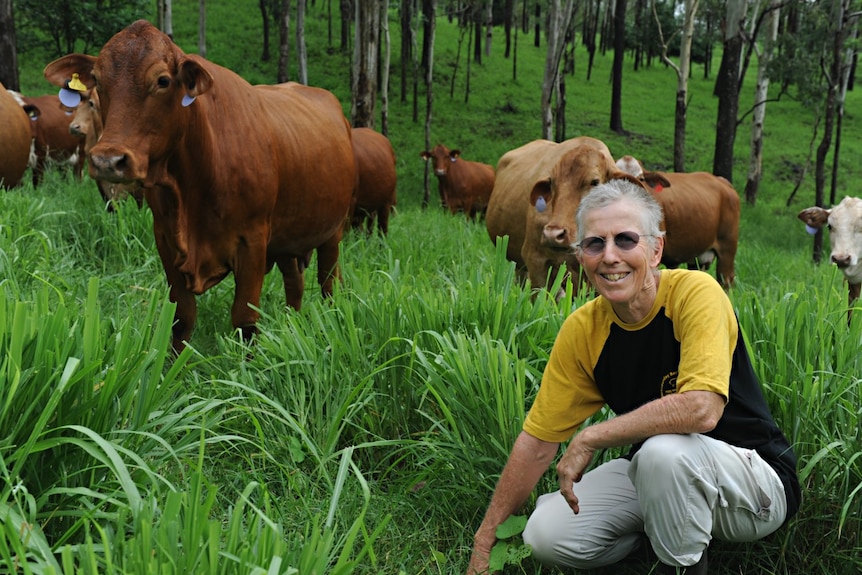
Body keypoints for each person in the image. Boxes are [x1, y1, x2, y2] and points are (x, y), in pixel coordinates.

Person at [466, 178, 801, 574]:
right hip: (658, 476)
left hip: (754, 483)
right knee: (546, 534)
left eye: (626, 240)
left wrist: (593, 435)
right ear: (580, 255)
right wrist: (484, 539)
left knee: (662, 453)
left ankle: (681, 566)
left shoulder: (696, 293)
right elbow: (538, 443)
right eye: (594, 243)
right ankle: (655, 545)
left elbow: (701, 410)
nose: (610, 256)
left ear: (656, 248)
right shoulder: (583, 330)